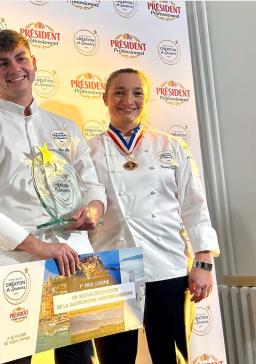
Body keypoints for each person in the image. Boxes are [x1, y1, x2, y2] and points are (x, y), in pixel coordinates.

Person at [0, 29, 106, 364]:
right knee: (14, 361)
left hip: (75, 261)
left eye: (20, 58)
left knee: (79, 359)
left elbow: (92, 185)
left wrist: (93, 209)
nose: (14, 68)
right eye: (2, 63)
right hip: (14, 267)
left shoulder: (65, 126)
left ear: (33, 63)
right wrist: (39, 247)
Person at [88, 68, 220, 363]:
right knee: (115, 358)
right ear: (105, 98)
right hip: (111, 271)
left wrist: (203, 260)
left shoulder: (171, 146)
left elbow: (194, 205)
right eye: (119, 92)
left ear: (146, 98)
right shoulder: (89, 151)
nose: (128, 100)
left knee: (170, 356)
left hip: (166, 268)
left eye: (137, 92)